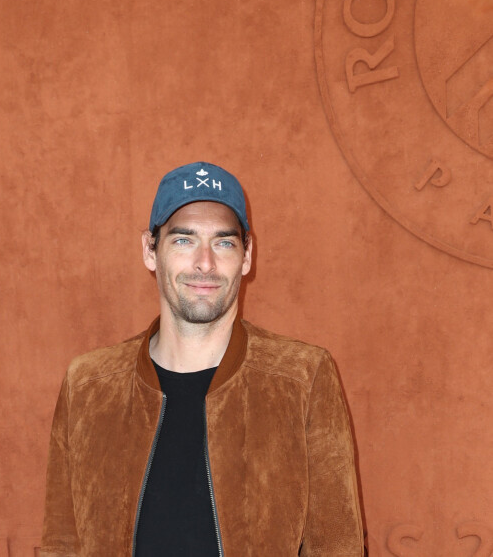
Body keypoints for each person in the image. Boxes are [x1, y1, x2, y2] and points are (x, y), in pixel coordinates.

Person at [40, 162, 364, 556]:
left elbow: (337, 546)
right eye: (184, 240)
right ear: (150, 250)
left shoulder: (302, 377)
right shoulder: (89, 384)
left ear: (247, 256)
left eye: (224, 242)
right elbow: (60, 545)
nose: (205, 263)